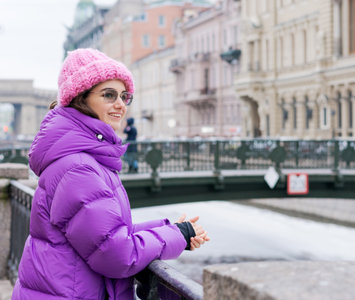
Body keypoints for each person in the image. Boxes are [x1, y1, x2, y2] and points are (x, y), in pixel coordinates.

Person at [12, 48, 209, 300]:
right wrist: (177, 235)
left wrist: (174, 229)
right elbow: (115, 254)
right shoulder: (78, 167)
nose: (120, 104)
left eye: (125, 96)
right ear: (80, 99)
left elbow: (105, 234)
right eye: (108, 95)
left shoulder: (83, 157)